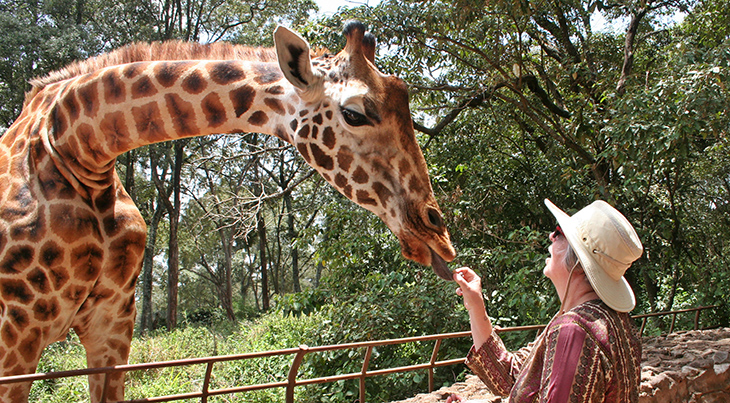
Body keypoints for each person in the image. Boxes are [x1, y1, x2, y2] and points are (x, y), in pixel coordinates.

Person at [450, 199, 643, 403]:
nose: (551, 236)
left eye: (559, 232)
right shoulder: (613, 321)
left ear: (577, 260)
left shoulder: (573, 330)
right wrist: (475, 304)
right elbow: (513, 378)